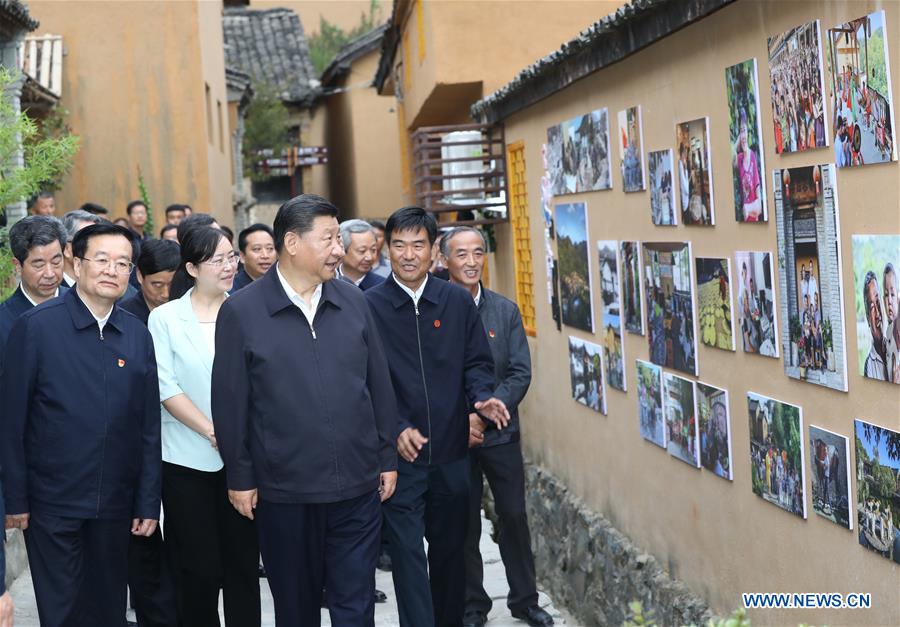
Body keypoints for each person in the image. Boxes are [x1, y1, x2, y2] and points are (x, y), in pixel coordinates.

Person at [213, 194, 399, 625]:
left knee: (356, 606)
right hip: (285, 492)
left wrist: (386, 455)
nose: (339, 249)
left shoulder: (353, 301)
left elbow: (379, 384)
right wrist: (240, 475)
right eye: (329, 238)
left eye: (338, 238)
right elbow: (231, 401)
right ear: (293, 243)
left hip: (357, 485)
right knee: (296, 609)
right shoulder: (242, 311)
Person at [1, 223, 161, 626]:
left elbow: (148, 426)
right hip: (52, 503)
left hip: (116, 503)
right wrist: (15, 498)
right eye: (102, 260)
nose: (112, 270)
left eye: (122, 263)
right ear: (77, 263)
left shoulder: (137, 334)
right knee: (64, 612)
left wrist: (147, 501)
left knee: (108, 610)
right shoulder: (36, 327)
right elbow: (12, 418)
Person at [365, 207, 509, 627]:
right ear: (387, 250)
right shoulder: (368, 306)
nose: (409, 254)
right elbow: (364, 379)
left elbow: (477, 363)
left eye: (418, 245)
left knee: (450, 555)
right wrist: (394, 428)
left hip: (451, 453)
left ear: (433, 252)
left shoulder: (455, 301)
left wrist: (481, 399)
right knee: (407, 556)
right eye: (399, 245)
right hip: (400, 460)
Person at [440, 227, 553, 627]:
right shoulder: (435, 310)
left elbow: (520, 372)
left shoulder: (504, 310)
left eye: (478, 252)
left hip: (501, 432)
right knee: (464, 523)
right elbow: (435, 376)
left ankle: (525, 600)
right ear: (445, 261)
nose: (471, 261)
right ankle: (473, 605)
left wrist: (484, 414)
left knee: (514, 516)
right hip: (454, 437)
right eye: (461, 254)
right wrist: (462, 419)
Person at [148, 227, 260, 626]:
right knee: (198, 570)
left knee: (243, 568)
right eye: (217, 260)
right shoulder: (165, 318)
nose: (229, 266)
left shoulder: (248, 311)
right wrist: (214, 430)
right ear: (192, 268)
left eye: (232, 257)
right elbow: (166, 386)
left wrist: (235, 437)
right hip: (186, 461)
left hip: (243, 461)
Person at [0, 216, 68, 353]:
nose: (50, 274)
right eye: (39, 265)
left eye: (56, 262)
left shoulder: (81, 303)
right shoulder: (4, 321)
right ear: (18, 266)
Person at [120, 239, 181, 325]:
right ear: (140, 276)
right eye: (158, 285)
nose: (166, 294)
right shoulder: (122, 317)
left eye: (172, 285)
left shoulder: (191, 312)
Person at [337, 219, 385, 291]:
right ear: (342, 249)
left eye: (373, 250)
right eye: (362, 251)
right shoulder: (327, 281)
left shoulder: (382, 287)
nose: (369, 257)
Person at [61, 209, 104, 288]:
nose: (95, 247)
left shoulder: (103, 285)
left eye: (97, 240)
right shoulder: (51, 289)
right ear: (67, 249)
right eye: (86, 241)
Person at [232, 223, 275, 291]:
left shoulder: (284, 284)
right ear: (242, 256)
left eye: (270, 248)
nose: (265, 255)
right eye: (257, 249)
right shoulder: (232, 290)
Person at [862, 271, 888, 380]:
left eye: (878, 301)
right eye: (872, 307)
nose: (877, 313)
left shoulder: (896, 345)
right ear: (868, 318)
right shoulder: (869, 366)